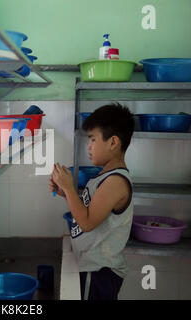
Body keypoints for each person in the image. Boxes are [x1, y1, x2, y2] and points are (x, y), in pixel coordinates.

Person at [49, 103, 135, 300]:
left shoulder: (115, 181)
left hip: (99, 272)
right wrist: (66, 193)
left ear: (113, 142)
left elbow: (87, 223)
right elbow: (91, 210)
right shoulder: (104, 176)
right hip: (94, 267)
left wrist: (70, 188)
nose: (89, 146)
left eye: (93, 139)